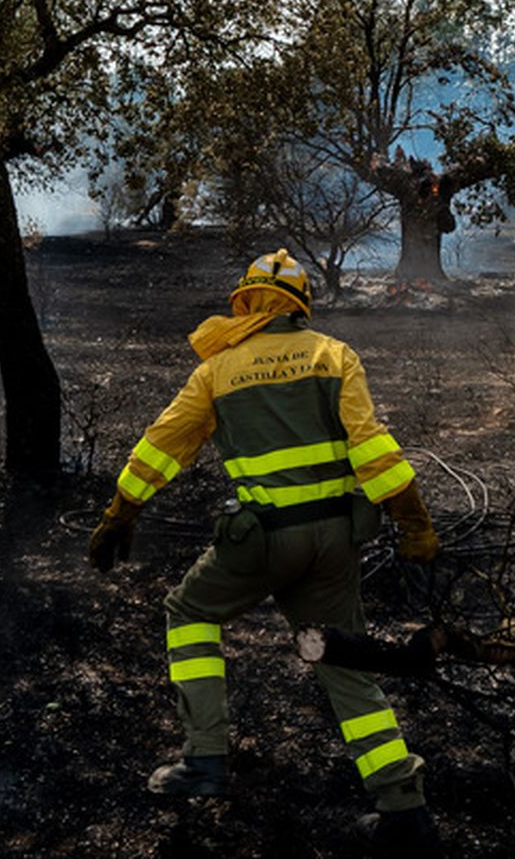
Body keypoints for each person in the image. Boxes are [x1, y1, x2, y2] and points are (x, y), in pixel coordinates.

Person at [86, 248, 443, 857]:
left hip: (261, 541)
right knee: (345, 662)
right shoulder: (335, 355)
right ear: (302, 306)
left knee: (190, 613)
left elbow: (162, 447)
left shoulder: (218, 370)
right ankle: (402, 808)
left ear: (246, 302)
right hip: (335, 540)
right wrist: (414, 523)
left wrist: (122, 514)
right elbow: (374, 450)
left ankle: (204, 760)